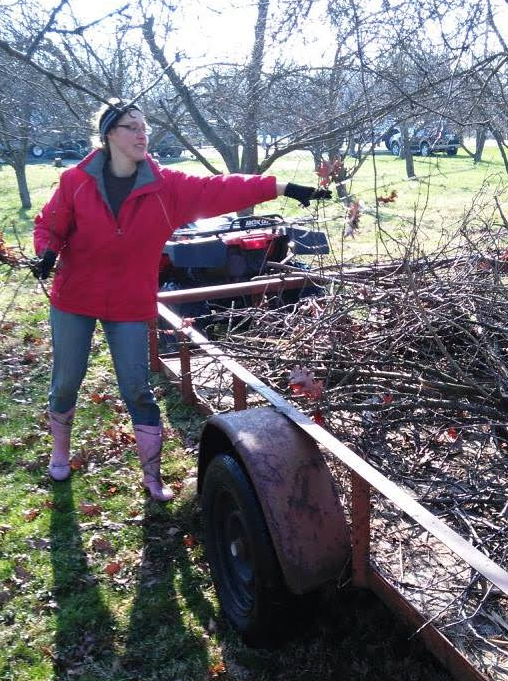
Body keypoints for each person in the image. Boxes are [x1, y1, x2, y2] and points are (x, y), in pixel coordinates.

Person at [31, 100, 330, 501]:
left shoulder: (165, 187)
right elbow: (50, 225)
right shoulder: (76, 181)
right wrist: (47, 251)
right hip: (75, 297)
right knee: (66, 382)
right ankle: (60, 454)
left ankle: (152, 478)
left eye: (145, 128)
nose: (142, 134)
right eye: (132, 127)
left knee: (137, 388)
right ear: (109, 135)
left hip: (129, 302)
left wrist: (283, 187)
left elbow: (222, 188)